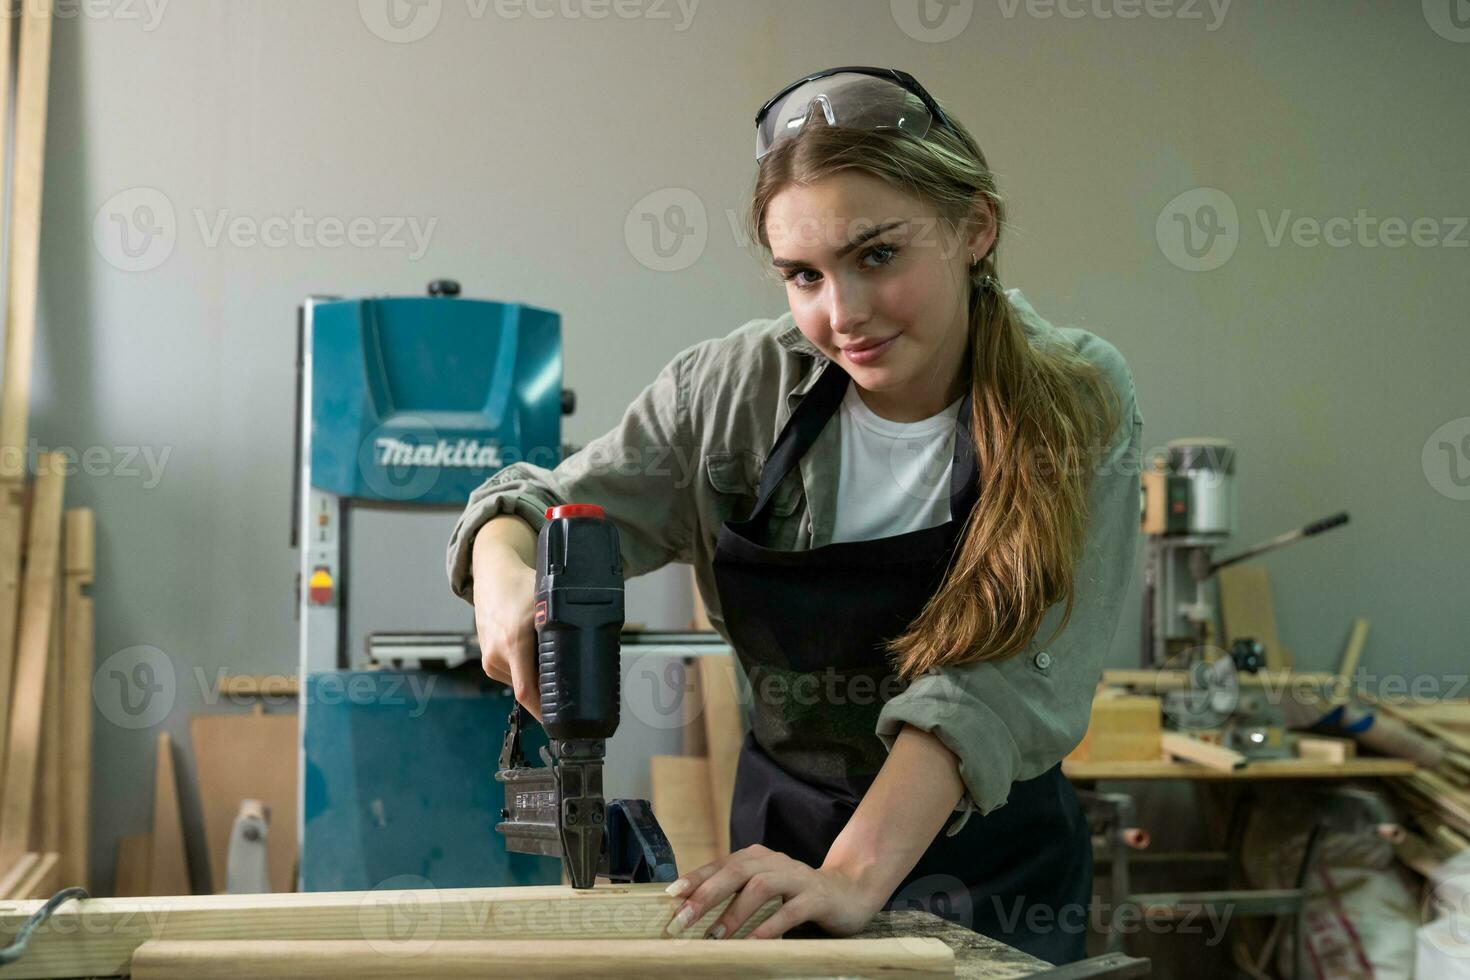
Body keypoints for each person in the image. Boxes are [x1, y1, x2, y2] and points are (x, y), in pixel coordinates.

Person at [446, 66, 1144, 963]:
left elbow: (996, 687)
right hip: (783, 860)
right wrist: (508, 573)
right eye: (803, 275)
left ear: (975, 227)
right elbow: (548, 502)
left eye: (878, 255)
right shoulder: (733, 392)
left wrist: (853, 879)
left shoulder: (1076, 397)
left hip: (994, 883)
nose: (842, 314)